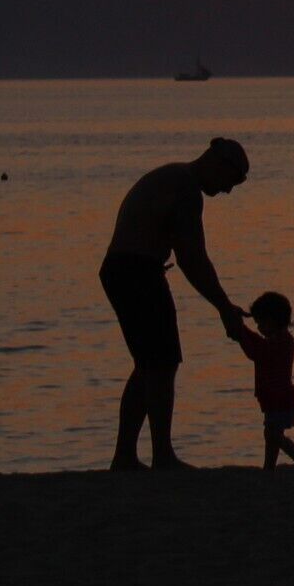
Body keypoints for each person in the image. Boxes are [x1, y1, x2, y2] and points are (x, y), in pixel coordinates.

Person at [99, 137, 250, 470]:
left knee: (149, 364)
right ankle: (162, 455)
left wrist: (223, 306)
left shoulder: (174, 177)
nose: (228, 190)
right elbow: (192, 258)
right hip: (136, 271)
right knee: (162, 363)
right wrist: (224, 307)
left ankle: (125, 456)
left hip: (127, 269)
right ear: (217, 163)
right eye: (232, 180)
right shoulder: (185, 188)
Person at [223, 291, 294, 469]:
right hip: (275, 399)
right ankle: (269, 466)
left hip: (280, 399)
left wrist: (241, 334)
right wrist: (242, 330)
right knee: (272, 435)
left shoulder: (281, 342)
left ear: (273, 320)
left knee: (273, 435)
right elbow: (258, 344)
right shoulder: (277, 340)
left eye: (261, 323)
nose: (259, 328)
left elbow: (255, 352)